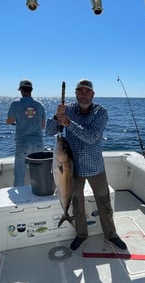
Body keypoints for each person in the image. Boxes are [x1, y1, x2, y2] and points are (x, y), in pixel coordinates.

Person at [46, 79, 127, 251]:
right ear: (75, 93)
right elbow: (49, 131)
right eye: (80, 91)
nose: (83, 95)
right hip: (72, 169)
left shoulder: (100, 113)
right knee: (76, 204)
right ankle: (81, 234)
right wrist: (55, 116)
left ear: (93, 94)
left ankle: (111, 235)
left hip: (95, 167)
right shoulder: (66, 109)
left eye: (87, 91)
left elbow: (91, 137)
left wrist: (68, 123)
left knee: (104, 203)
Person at [7, 80, 46, 187]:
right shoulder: (39, 105)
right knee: (39, 171)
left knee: (20, 173)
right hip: (38, 143)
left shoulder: (15, 104)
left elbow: (9, 121)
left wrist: (18, 122)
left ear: (21, 90)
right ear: (31, 90)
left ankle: (20, 200)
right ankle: (40, 192)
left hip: (23, 143)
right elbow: (43, 126)